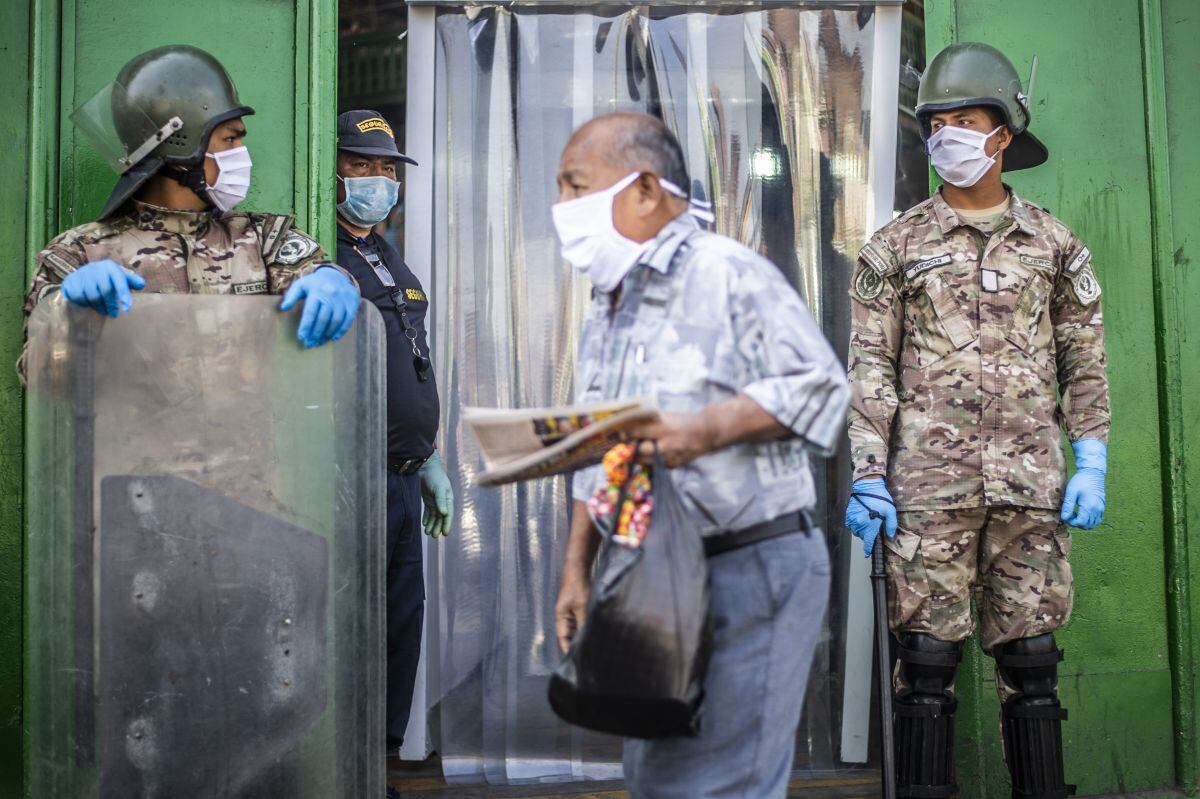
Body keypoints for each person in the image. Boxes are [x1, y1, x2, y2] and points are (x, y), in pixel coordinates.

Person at [552, 112, 849, 799]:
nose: (562, 209)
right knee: (657, 774)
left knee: (714, 785)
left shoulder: (726, 273)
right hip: (651, 575)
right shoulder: (611, 301)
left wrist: (706, 429)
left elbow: (823, 388)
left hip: (748, 565)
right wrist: (578, 567)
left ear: (647, 188)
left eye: (575, 187)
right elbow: (601, 448)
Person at [844, 43, 1109, 798]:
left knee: (1032, 662)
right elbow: (871, 368)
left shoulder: (1055, 247)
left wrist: (1090, 456)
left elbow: (1083, 359)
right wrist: (868, 473)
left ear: (1002, 134)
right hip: (926, 491)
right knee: (925, 664)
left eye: (965, 120)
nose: (947, 137)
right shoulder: (894, 248)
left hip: (1031, 488)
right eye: (937, 124)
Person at [333, 110, 454, 761]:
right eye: (362, 165)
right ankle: (342, 767)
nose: (378, 179)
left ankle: (377, 762)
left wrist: (429, 454)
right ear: (333, 170)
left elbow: (407, 351)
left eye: (386, 169)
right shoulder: (320, 253)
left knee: (400, 625)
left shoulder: (382, 249)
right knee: (351, 629)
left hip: (405, 474)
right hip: (354, 472)